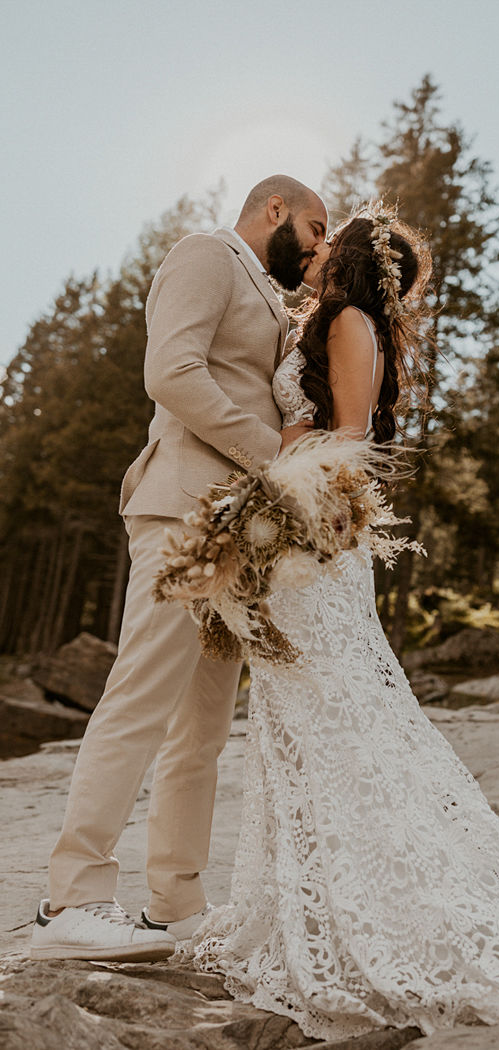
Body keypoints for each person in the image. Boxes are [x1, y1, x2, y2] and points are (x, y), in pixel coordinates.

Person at [189, 207, 499, 1040]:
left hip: (315, 535)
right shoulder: (319, 322)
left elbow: (348, 440)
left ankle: (376, 916)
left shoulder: (352, 323)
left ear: (348, 257)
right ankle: (306, 905)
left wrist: (274, 480)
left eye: (324, 242)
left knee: (338, 718)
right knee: (294, 722)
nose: (311, 252)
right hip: (290, 539)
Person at [30, 175, 328, 962]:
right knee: (139, 700)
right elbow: (172, 372)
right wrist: (276, 464)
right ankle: (75, 897)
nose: (320, 245)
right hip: (181, 511)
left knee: (199, 732)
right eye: (314, 225)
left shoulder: (270, 296)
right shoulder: (206, 253)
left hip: (237, 537)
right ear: (275, 211)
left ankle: (176, 905)